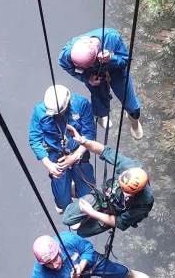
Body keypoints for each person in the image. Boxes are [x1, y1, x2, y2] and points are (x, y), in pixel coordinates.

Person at [61, 124, 153, 237]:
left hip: (113, 212)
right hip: (103, 195)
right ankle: (83, 207)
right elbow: (104, 150)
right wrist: (83, 141)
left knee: (82, 232)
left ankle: (88, 214)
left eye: (127, 191)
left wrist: (92, 213)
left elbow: (119, 221)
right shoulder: (128, 166)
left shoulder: (144, 203)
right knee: (67, 219)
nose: (122, 190)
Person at [58, 27, 144, 140]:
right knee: (99, 100)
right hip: (94, 75)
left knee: (130, 102)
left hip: (116, 71)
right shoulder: (69, 52)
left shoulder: (111, 38)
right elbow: (65, 65)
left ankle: (134, 119)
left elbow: (125, 60)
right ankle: (102, 115)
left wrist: (111, 59)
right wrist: (86, 77)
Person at [29, 85, 97, 213]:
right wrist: (48, 164)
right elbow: (35, 139)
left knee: (88, 196)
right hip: (55, 154)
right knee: (62, 204)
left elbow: (89, 134)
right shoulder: (39, 111)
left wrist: (75, 156)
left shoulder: (81, 104)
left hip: (78, 151)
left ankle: (76, 190)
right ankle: (65, 200)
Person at [31, 232, 149, 278]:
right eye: (48, 264)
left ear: (59, 250)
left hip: (88, 262)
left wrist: (81, 266)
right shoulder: (39, 273)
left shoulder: (68, 240)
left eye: (55, 258)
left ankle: (130, 275)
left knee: (119, 273)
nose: (55, 265)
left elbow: (87, 249)